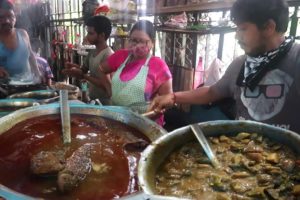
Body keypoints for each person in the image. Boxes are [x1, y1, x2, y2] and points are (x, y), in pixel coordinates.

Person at [150, 0, 300, 133]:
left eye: (242, 28)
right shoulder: (241, 63)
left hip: (286, 158)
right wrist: (173, 97)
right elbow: (211, 92)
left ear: (268, 27)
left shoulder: (296, 60)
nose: (236, 36)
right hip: (240, 153)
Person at [87, 20, 173, 125]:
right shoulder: (121, 56)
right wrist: (109, 90)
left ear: (152, 42)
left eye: (142, 41)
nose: (136, 45)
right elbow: (101, 69)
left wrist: (150, 115)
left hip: (146, 124)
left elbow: (168, 100)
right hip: (117, 119)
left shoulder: (159, 66)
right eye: (133, 40)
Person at [62, 15, 114, 104]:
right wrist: (73, 67)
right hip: (93, 100)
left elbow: (106, 85)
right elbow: (84, 70)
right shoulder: (92, 52)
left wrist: (83, 75)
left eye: (91, 33)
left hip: (105, 103)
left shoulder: (108, 55)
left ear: (101, 35)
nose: (87, 36)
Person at [0, 0, 42, 86]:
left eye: (10, 16)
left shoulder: (23, 34)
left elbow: (31, 56)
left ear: (15, 17)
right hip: (4, 90)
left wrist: (38, 74)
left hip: (27, 86)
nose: (6, 21)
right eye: (1, 17)